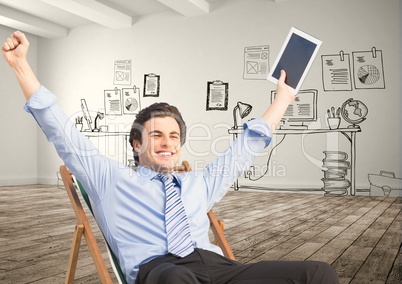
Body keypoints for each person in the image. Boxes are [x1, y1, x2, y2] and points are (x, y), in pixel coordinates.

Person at [2, 31, 339, 284]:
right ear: (136, 144)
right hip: (161, 271)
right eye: (156, 135)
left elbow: (247, 146)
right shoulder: (110, 178)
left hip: (219, 269)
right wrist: (21, 67)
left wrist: (284, 97)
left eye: (174, 136)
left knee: (318, 273)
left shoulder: (199, 182)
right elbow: (62, 132)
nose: (167, 143)